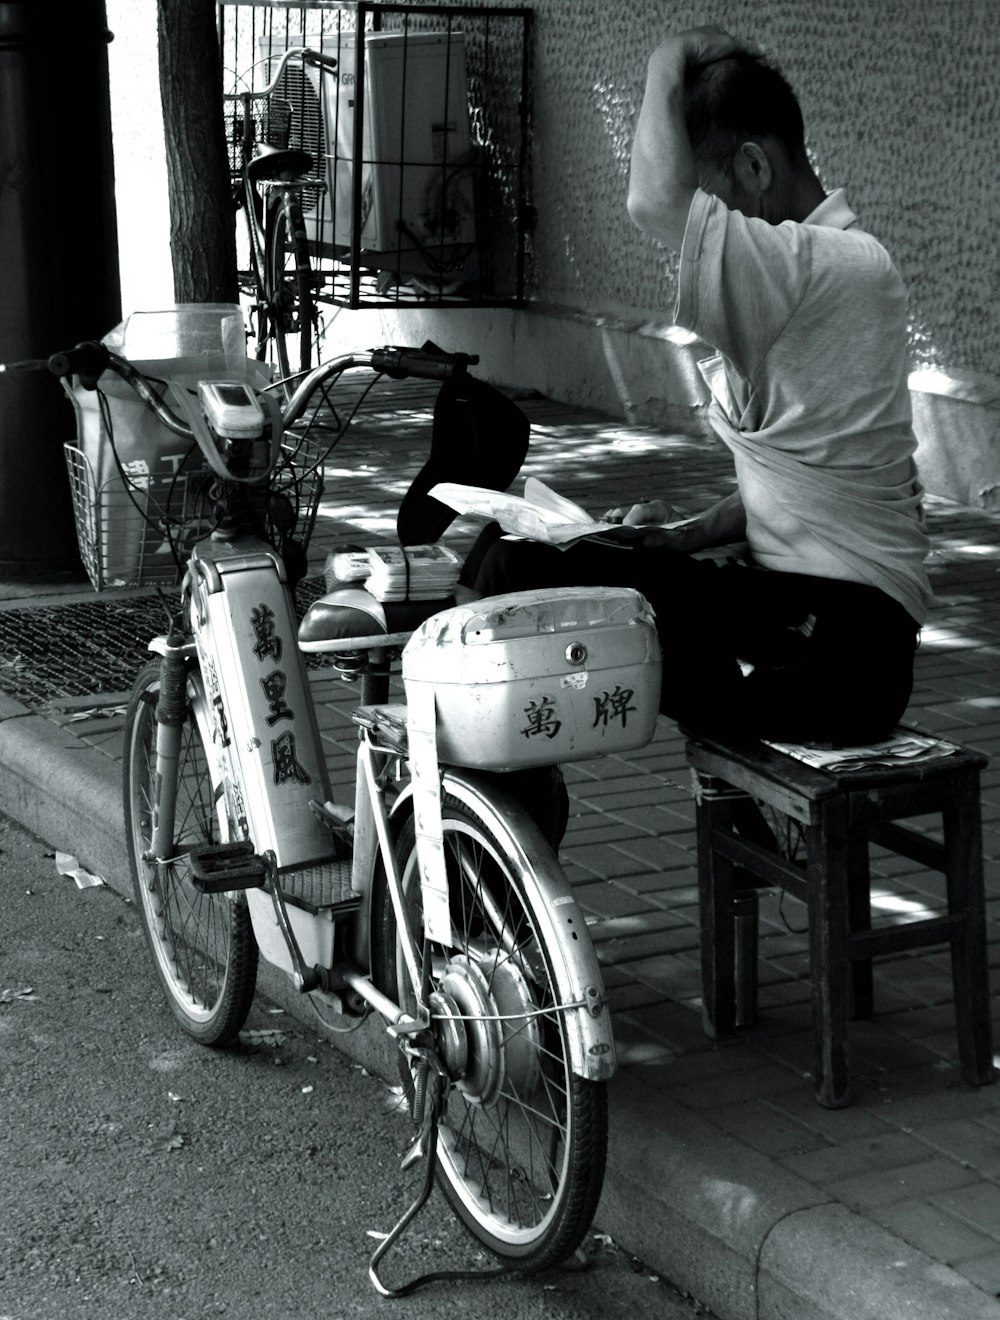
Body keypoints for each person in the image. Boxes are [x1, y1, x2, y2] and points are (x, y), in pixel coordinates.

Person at [466, 26, 931, 749]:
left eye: (709, 211)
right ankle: (736, 789)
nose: (696, 244)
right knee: (578, 562)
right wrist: (684, 535)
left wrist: (665, 58)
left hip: (835, 647)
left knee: (509, 564)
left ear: (752, 165)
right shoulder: (839, 269)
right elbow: (820, 477)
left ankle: (729, 777)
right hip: (826, 628)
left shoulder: (823, 263)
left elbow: (652, 203)